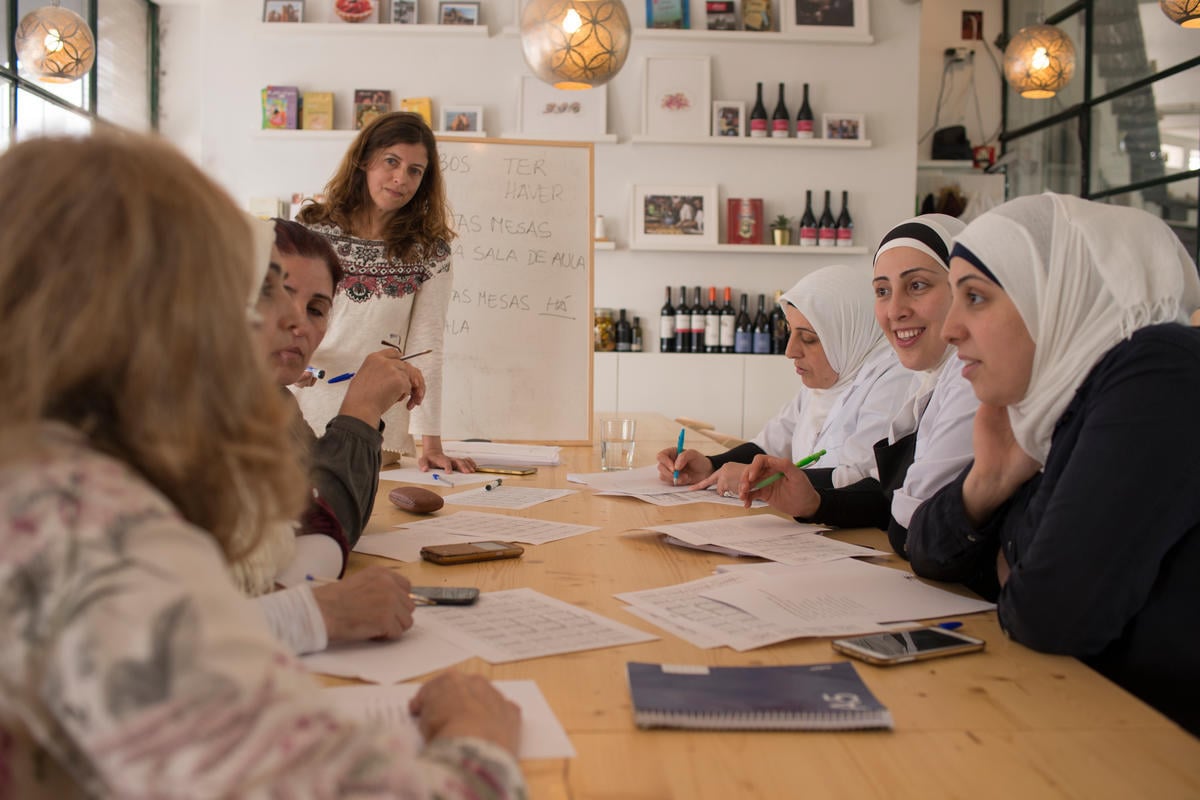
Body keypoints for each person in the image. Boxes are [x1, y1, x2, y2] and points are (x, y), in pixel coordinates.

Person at [0, 132, 524, 796]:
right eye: (246, 292)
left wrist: (307, 612)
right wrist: (478, 744)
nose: (279, 323)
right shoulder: (80, 523)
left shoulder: (53, 463)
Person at [905, 193, 1200, 737]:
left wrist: (1008, 562)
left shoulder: (1159, 369)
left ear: (1059, 293)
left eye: (975, 297)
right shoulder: (1049, 410)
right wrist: (987, 482)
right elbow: (927, 551)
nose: (950, 329)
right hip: (1084, 723)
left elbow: (1051, 613)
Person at [239, 217, 427, 656]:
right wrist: (360, 409)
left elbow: (316, 516)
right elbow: (328, 515)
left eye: (316, 309)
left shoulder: (273, 402)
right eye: (274, 294)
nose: (295, 322)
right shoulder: (177, 412)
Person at [741, 215, 978, 554]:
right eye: (882, 291)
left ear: (968, 288)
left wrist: (817, 501)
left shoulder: (959, 380)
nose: (895, 309)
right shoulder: (929, 381)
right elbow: (885, 490)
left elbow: (911, 531)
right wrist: (814, 504)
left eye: (917, 285)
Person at [296, 111, 474, 471]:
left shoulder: (429, 249)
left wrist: (431, 444)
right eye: (391, 161)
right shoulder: (310, 230)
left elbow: (428, 345)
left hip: (380, 428)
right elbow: (281, 313)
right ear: (364, 160)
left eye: (415, 170)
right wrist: (283, 359)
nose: (401, 178)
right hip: (302, 412)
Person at [658, 264, 911, 496]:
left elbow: (864, 481)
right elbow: (770, 445)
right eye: (790, 333)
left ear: (848, 337)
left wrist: (760, 481)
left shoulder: (893, 380)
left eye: (809, 338)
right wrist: (710, 464)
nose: (790, 351)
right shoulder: (824, 381)